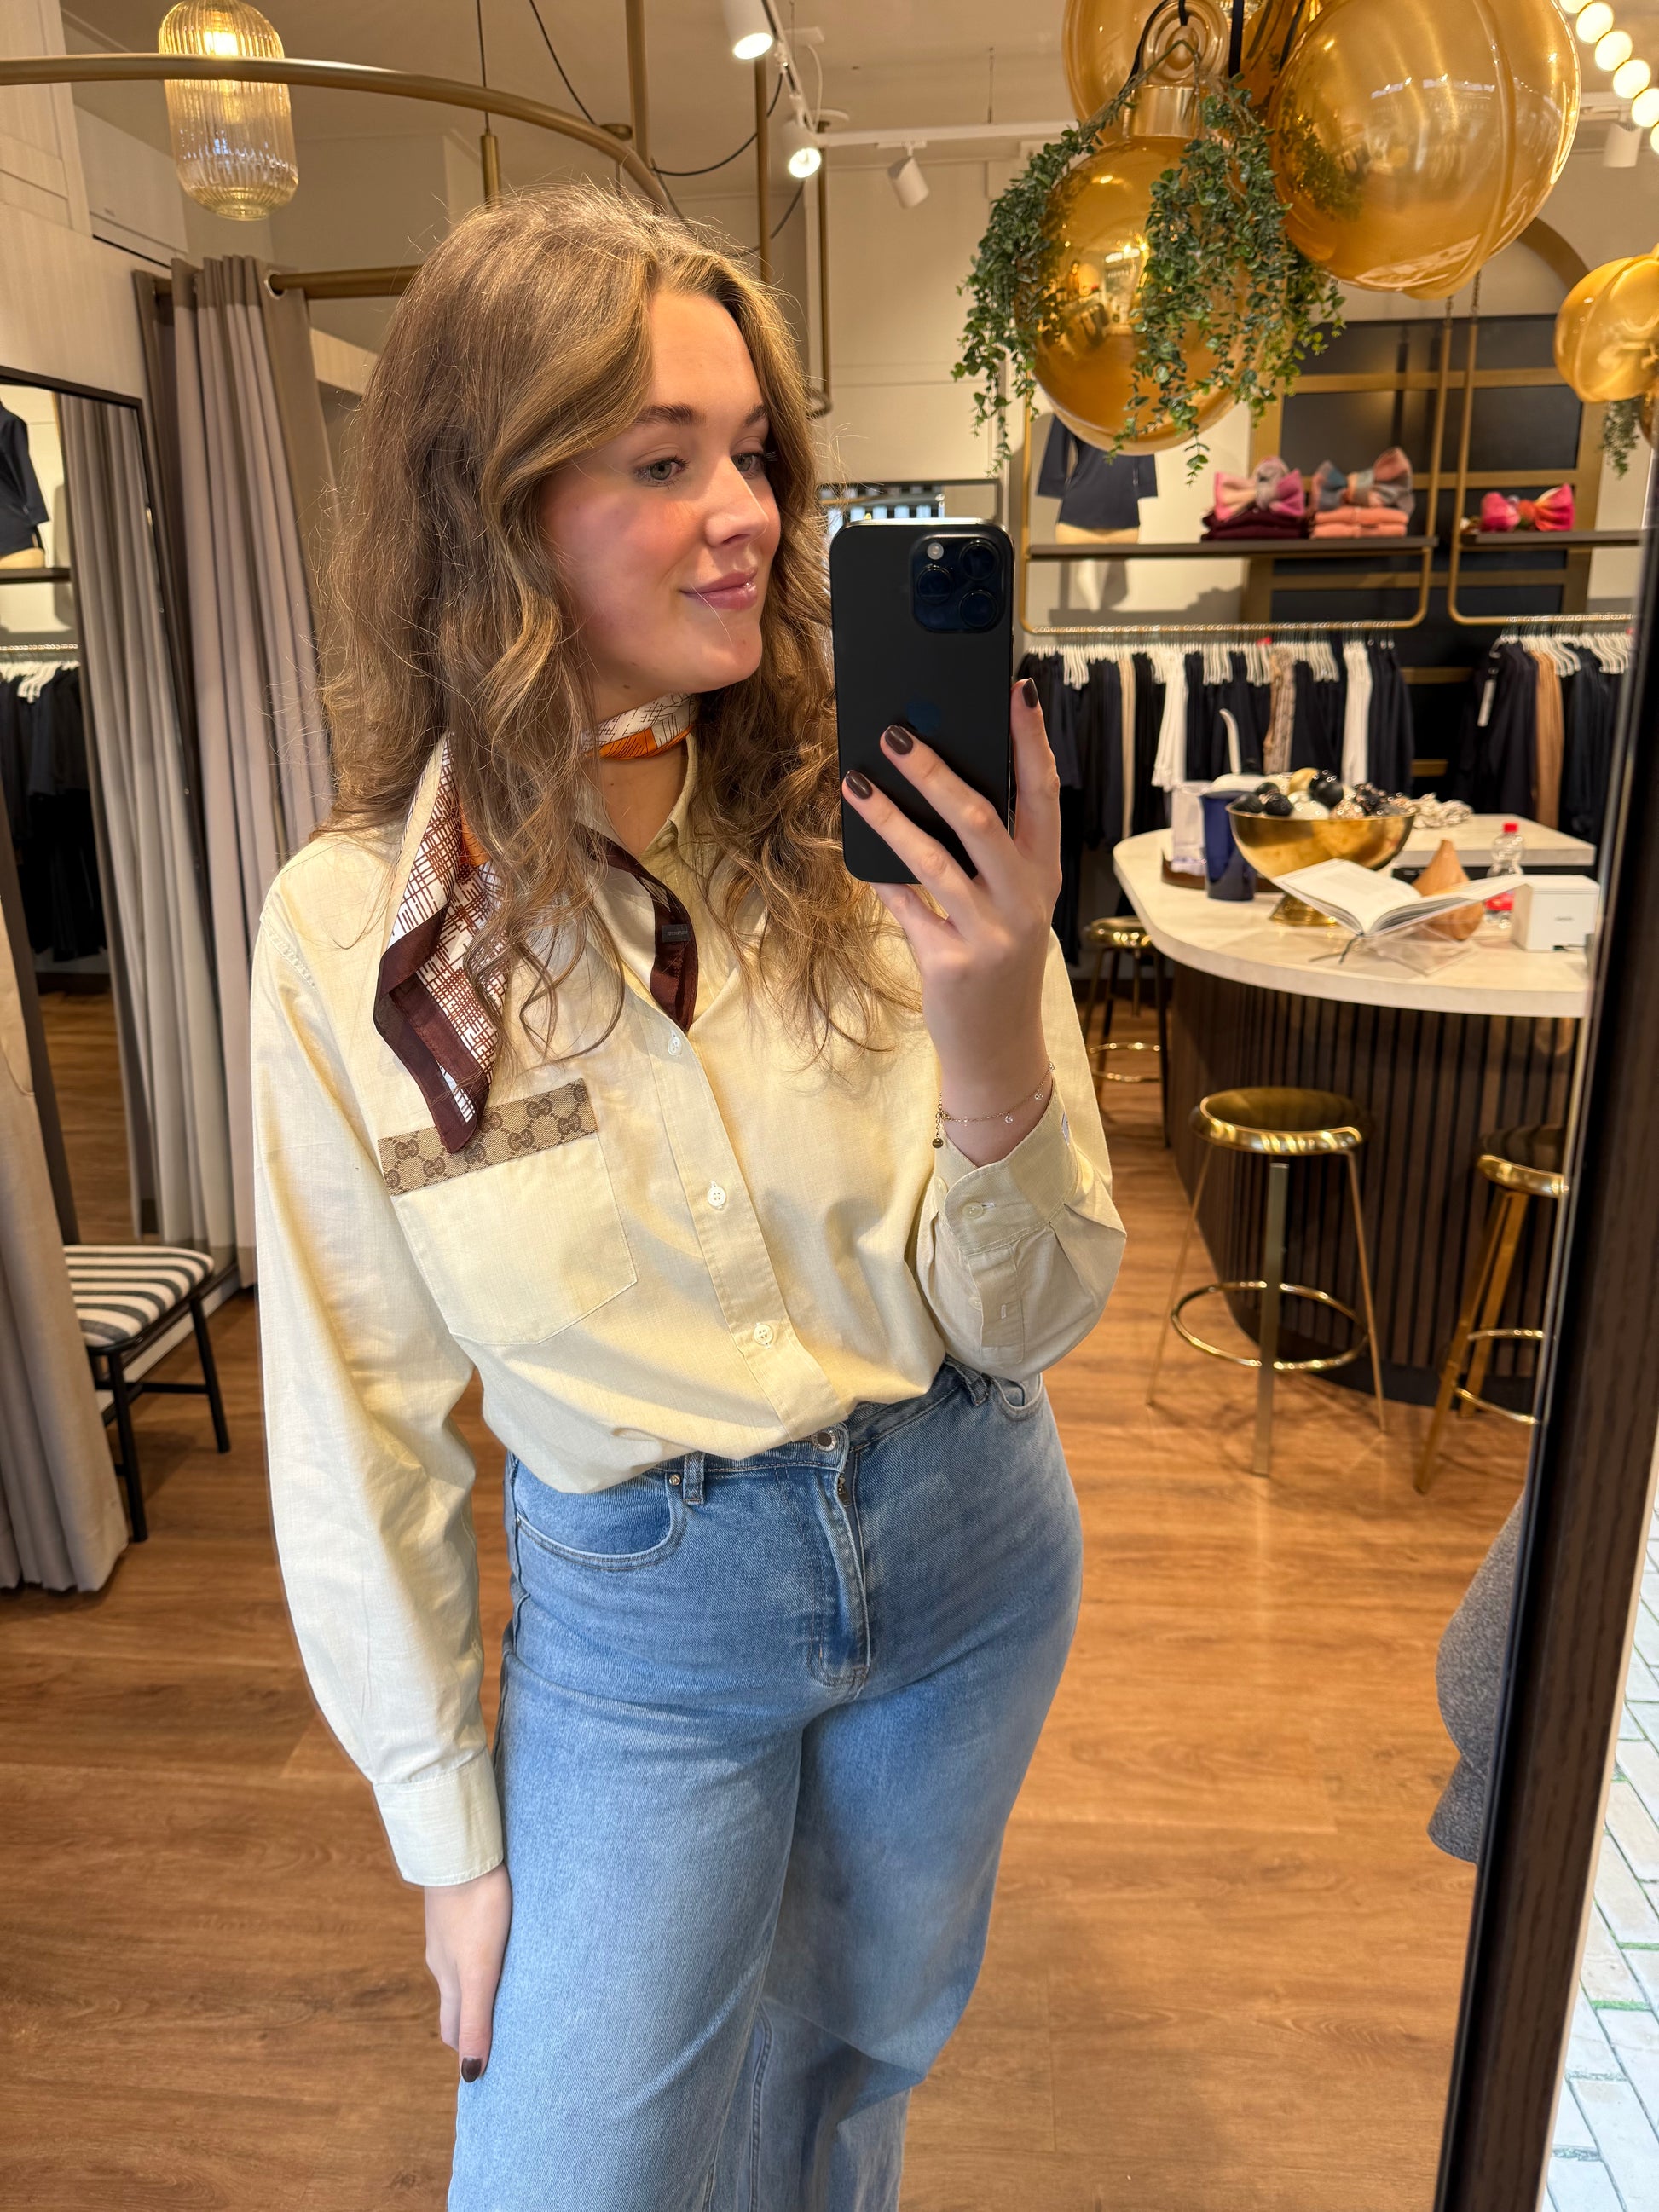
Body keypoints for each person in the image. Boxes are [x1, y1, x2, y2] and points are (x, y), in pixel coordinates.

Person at [251, 182, 1126, 2212]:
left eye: (753, 454)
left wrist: (990, 1016)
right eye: (662, 462)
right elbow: (357, 1413)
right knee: (570, 2167)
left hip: (966, 1540)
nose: (745, 513)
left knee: (842, 2080)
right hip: (646, 1626)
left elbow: (1027, 1316)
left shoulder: (881, 828)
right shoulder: (357, 937)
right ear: (494, 504)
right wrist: (444, 1830)